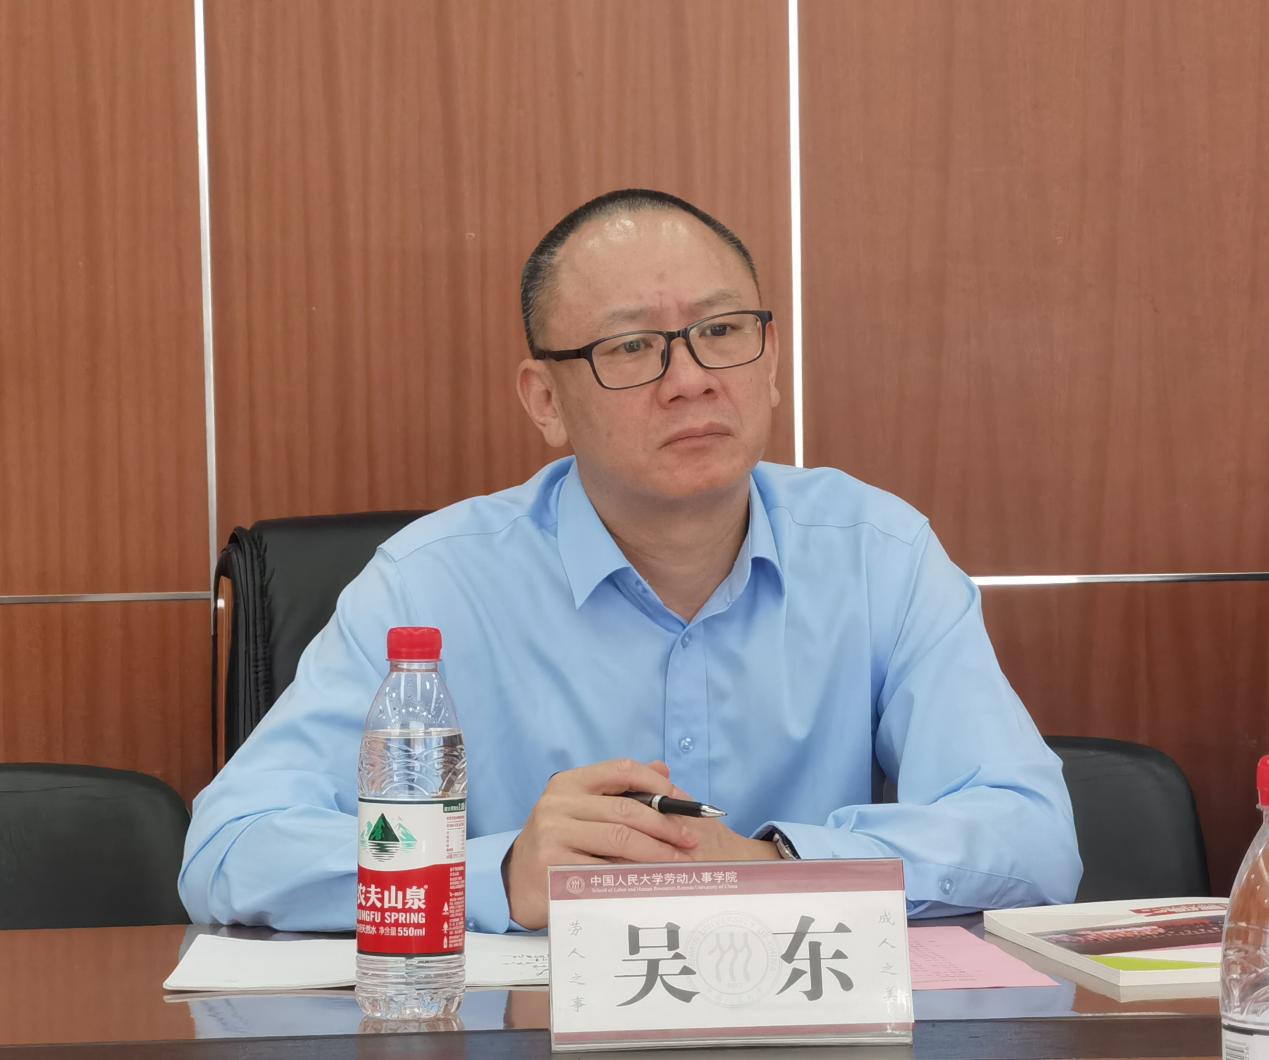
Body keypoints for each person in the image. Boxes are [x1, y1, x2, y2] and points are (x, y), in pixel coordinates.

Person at [179, 189, 1081, 933]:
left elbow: (1030, 836)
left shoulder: (877, 554)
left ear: (770, 361)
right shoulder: (430, 584)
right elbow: (232, 847)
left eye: (722, 331)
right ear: (544, 400)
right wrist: (497, 875)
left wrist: (771, 863)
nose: (690, 379)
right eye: (631, 348)